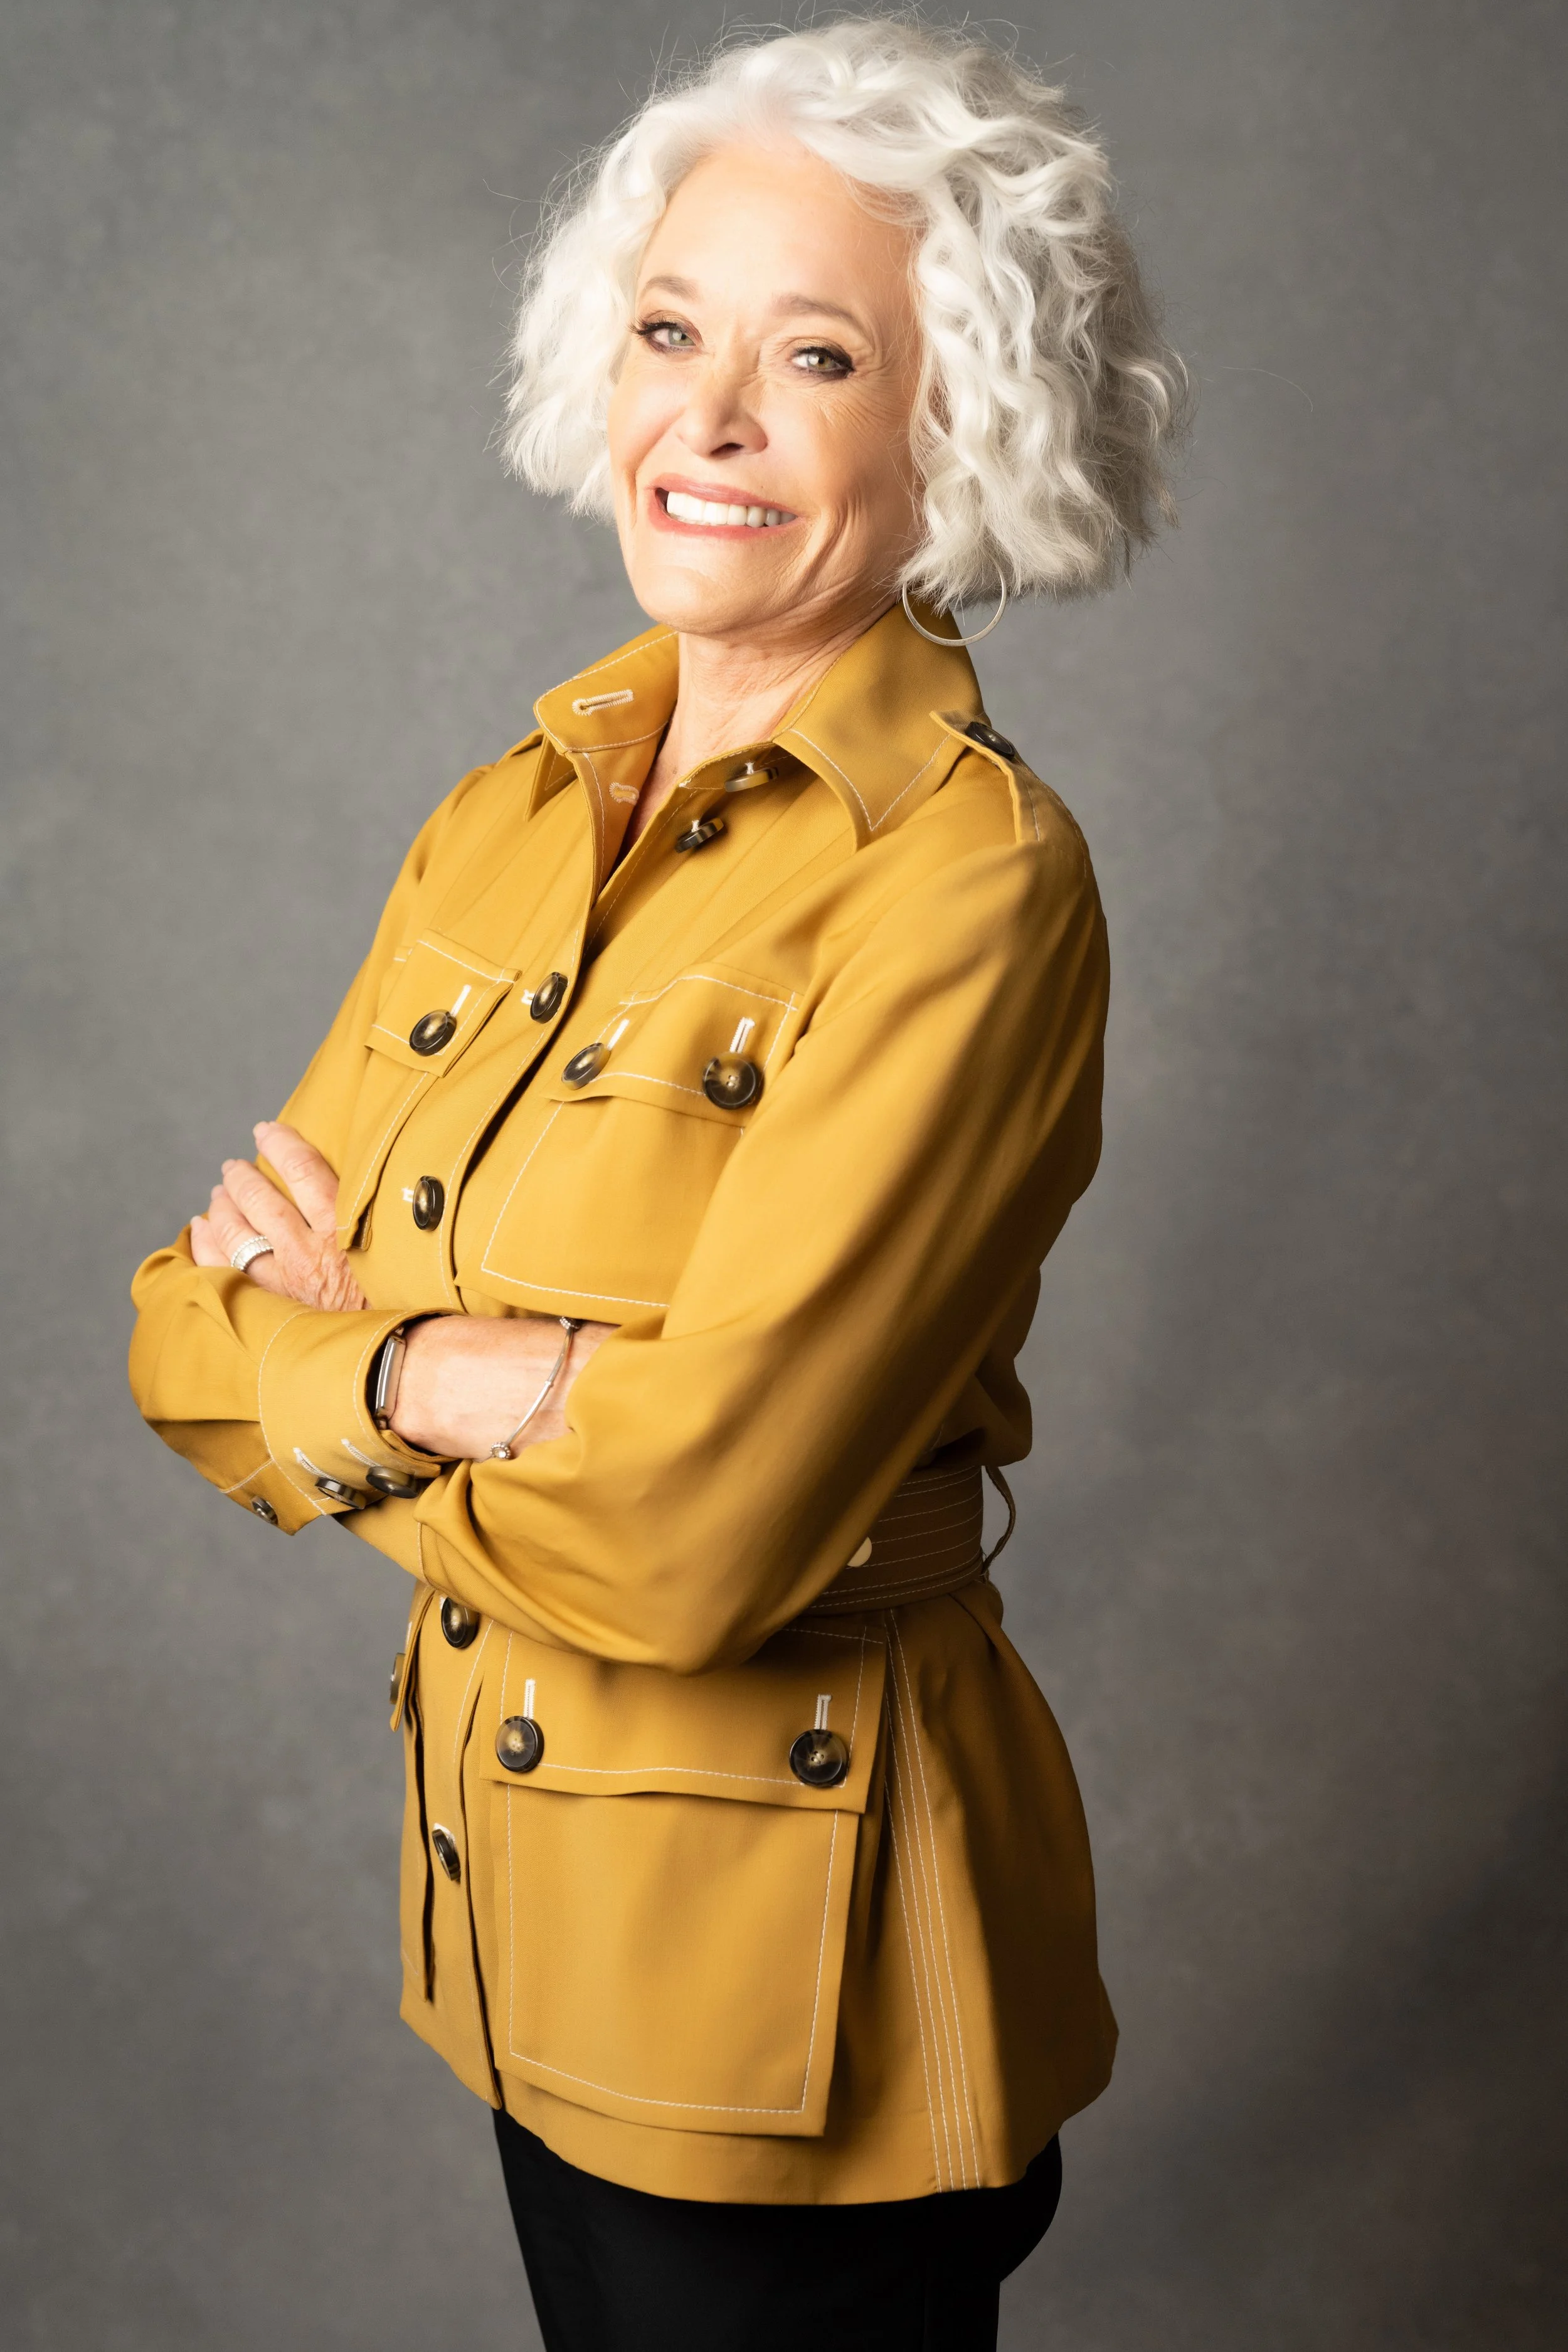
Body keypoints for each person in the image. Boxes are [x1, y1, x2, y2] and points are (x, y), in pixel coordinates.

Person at [128, 19, 1185, 2348]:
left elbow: (699, 1539)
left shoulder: (970, 890)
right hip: (518, 1905)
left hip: (788, 1961)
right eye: (670, 330)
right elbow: (176, 1339)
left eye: (814, 358)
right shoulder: (506, 814)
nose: (706, 421)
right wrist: (470, 1371)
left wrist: (349, 1359)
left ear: (958, 425)